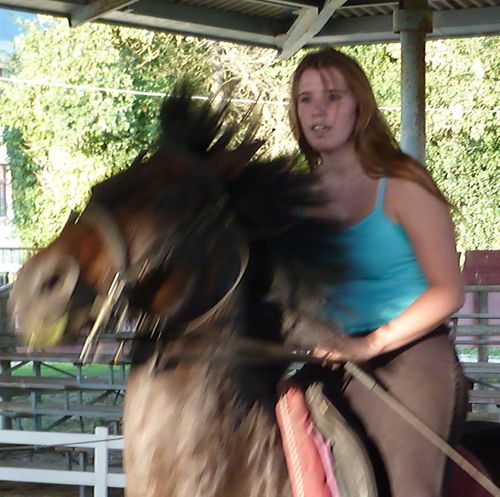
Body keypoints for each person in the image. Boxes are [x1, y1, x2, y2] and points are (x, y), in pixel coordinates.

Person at [287, 47, 468, 497]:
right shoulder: (295, 196)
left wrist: (370, 344)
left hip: (409, 358)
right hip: (329, 355)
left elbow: (449, 292)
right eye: (305, 99)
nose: (318, 111)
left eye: (332, 96)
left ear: (360, 107)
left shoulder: (404, 183)